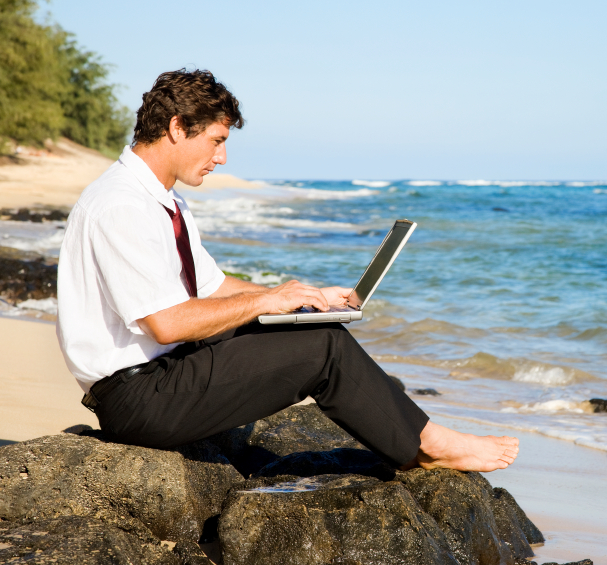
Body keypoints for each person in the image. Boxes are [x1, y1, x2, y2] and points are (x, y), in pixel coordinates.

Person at [56, 68, 518, 472]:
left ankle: (416, 436)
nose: (222, 158)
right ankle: (429, 445)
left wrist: (299, 296)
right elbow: (166, 323)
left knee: (308, 327)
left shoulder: (161, 198)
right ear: (177, 127)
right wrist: (264, 301)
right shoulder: (122, 205)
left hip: (164, 373)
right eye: (216, 141)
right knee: (322, 347)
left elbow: (211, 286)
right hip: (141, 399)